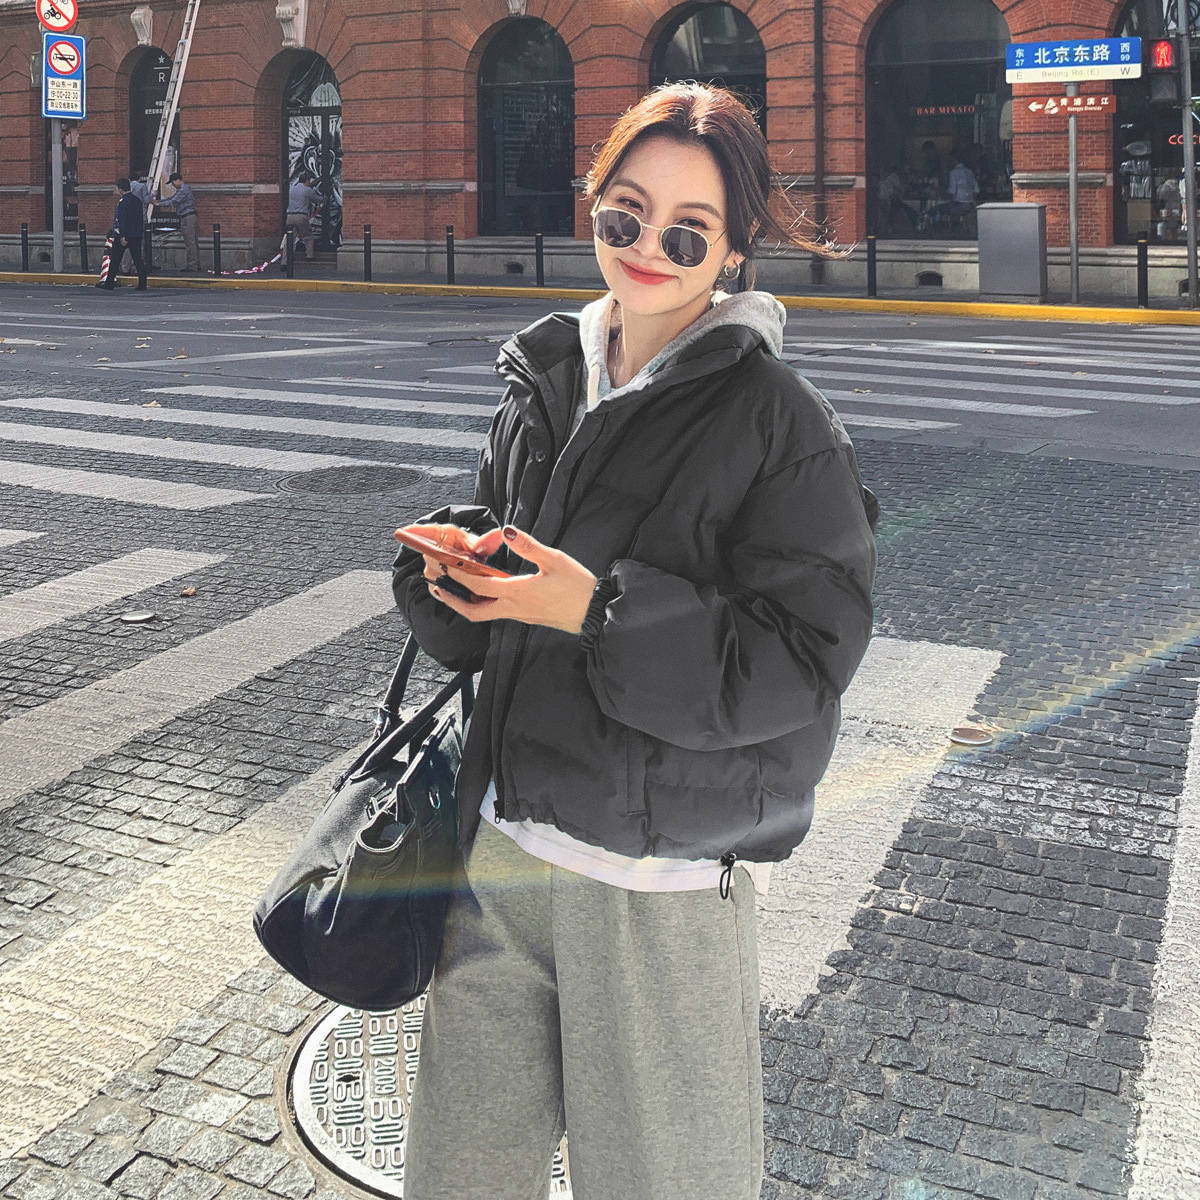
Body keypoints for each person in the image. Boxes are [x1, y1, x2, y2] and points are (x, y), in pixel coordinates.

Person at [391, 83, 878, 1200]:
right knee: (459, 1179)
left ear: (735, 249)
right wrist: (454, 578)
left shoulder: (780, 422)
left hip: (658, 883)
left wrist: (595, 612)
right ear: (593, 206)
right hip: (498, 855)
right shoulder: (547, 375)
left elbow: (805, 661)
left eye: (688, 232)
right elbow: (496, 633)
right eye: (626, 213)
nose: (650, 248)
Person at [99, 179, 147, 291]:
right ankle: (142, 283)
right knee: (138, 260)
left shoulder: (123, 202)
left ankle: (109, 283)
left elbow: (122, 220)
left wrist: (122, 236)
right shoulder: (137, 201)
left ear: (120, 189)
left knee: (115, 259)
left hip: (124, 235)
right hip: (136, 234)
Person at [155, 170, 200, 271]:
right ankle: (195, 264)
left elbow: (174, 201)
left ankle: (192, 265)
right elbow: (172, 198)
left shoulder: (184, 189)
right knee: (192, 241)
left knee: (190, 241)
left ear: (178, 180)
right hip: (187, 216)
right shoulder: (182, 190)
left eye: (173, 183)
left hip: (187, 216)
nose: (173, 185)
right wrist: (158, 201)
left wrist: (158, 204)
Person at [284, 174, 322, 261]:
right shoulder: (307, 190)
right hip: (301, 216)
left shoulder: (292, 188)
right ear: (307, 181)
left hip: (289, 216)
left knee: (290, 239)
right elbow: (317, 198)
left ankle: (285, 261)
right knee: (308, 236)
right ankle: (310, 256)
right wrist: (324, 198)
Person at [121, 176, 152, 275]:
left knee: (127, 244)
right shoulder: (142, 186)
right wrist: (153, 195)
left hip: (130, 219)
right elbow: (146, 200)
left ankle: (125, 267)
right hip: (141, 218)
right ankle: (138, 268)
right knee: (139, 244)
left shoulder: (128, 188)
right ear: (139, 179)